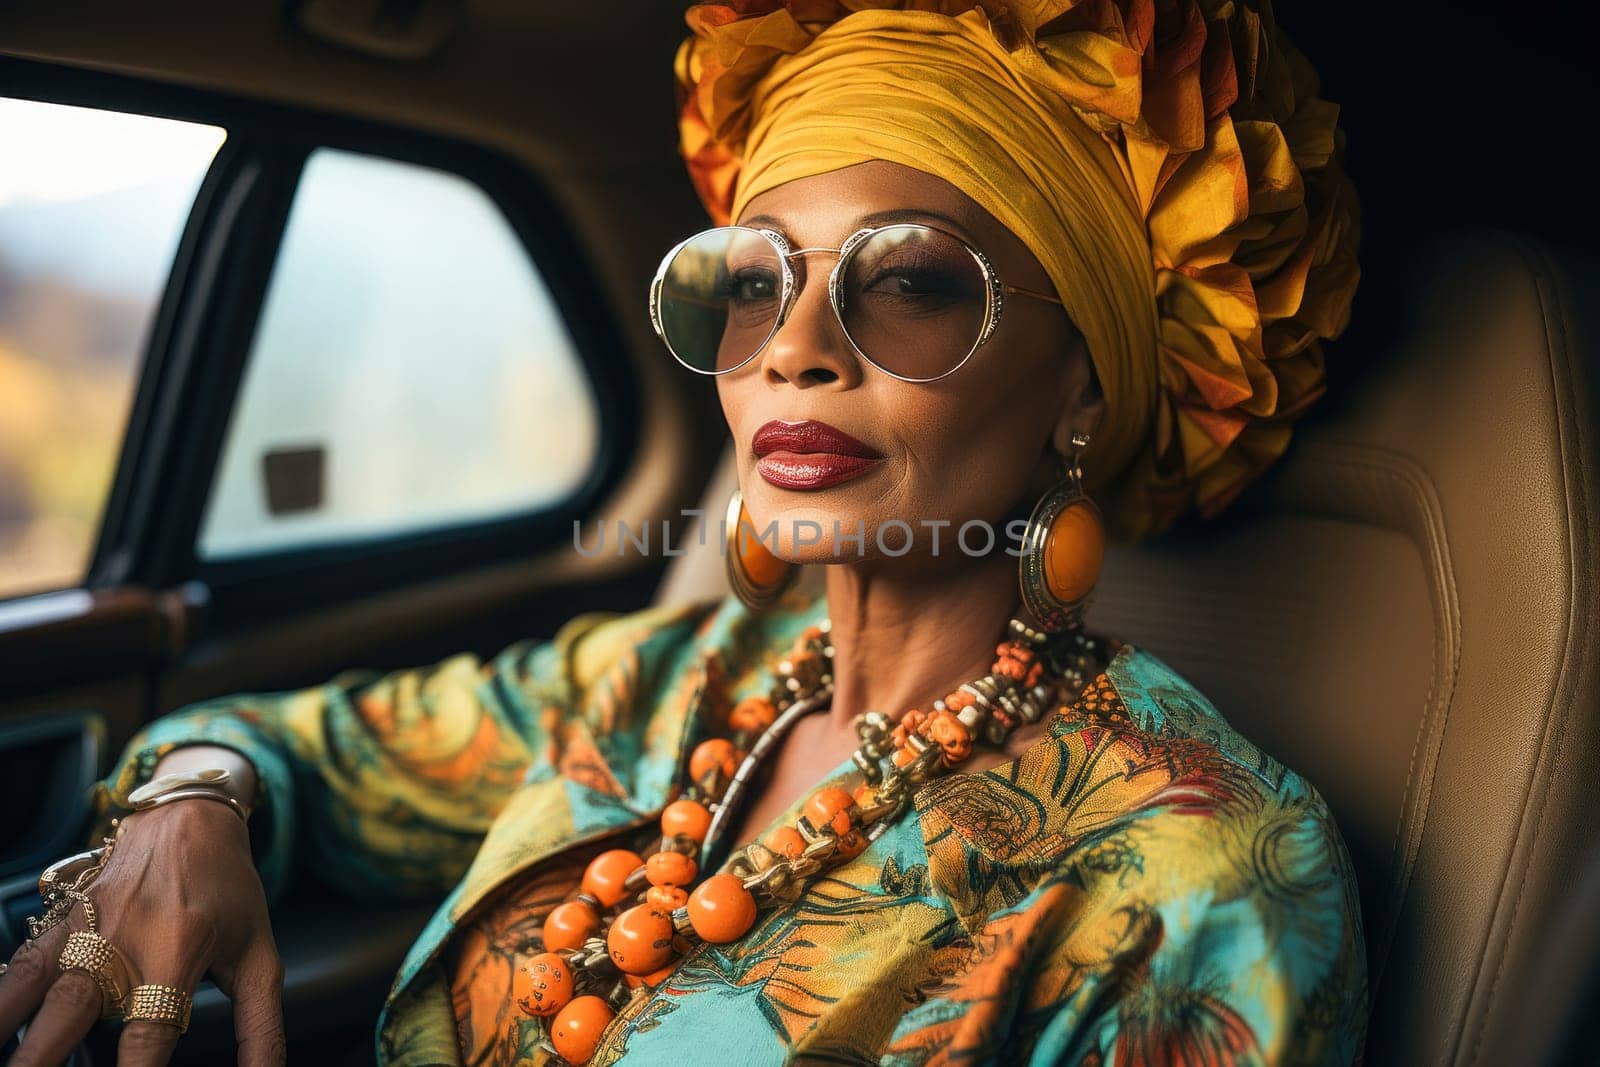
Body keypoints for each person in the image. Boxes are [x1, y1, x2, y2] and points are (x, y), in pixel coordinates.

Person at [0, 0, 1367, 1063]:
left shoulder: (1205, 878)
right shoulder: (667, 679)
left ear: (1083, 384)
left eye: (909, 283)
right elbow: (294, 744)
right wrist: (192, 805)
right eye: (753, 281)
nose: (796, 348)